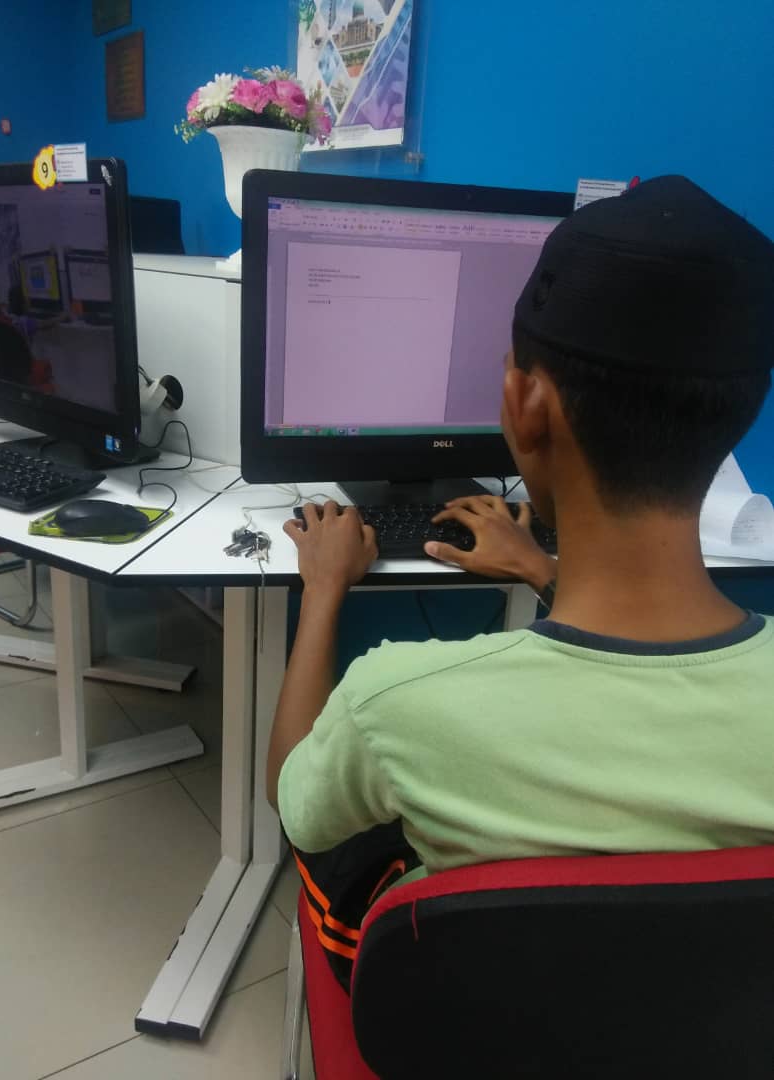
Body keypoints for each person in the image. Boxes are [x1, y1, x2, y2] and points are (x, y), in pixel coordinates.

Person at [268, 175, 774, 990]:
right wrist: (542, 569)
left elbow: (294, 801)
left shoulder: (394, 703)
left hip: (468, 1030)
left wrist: (324, 588)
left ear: (524, 404)